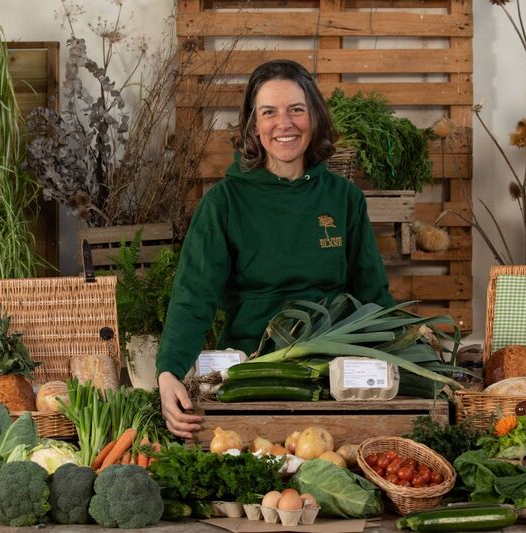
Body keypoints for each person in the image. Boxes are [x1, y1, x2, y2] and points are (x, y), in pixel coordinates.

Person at [156, 59, 395, 438]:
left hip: (331, 375)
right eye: (269, 112)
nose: (284, 124)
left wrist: (411, 352)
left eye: (296, 110)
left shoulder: (344, 199)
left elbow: (373, 294)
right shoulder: (224, 202)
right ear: (254, 125)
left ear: (314, 117)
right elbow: (193, 295)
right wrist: (168, 371)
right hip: (250, 374)